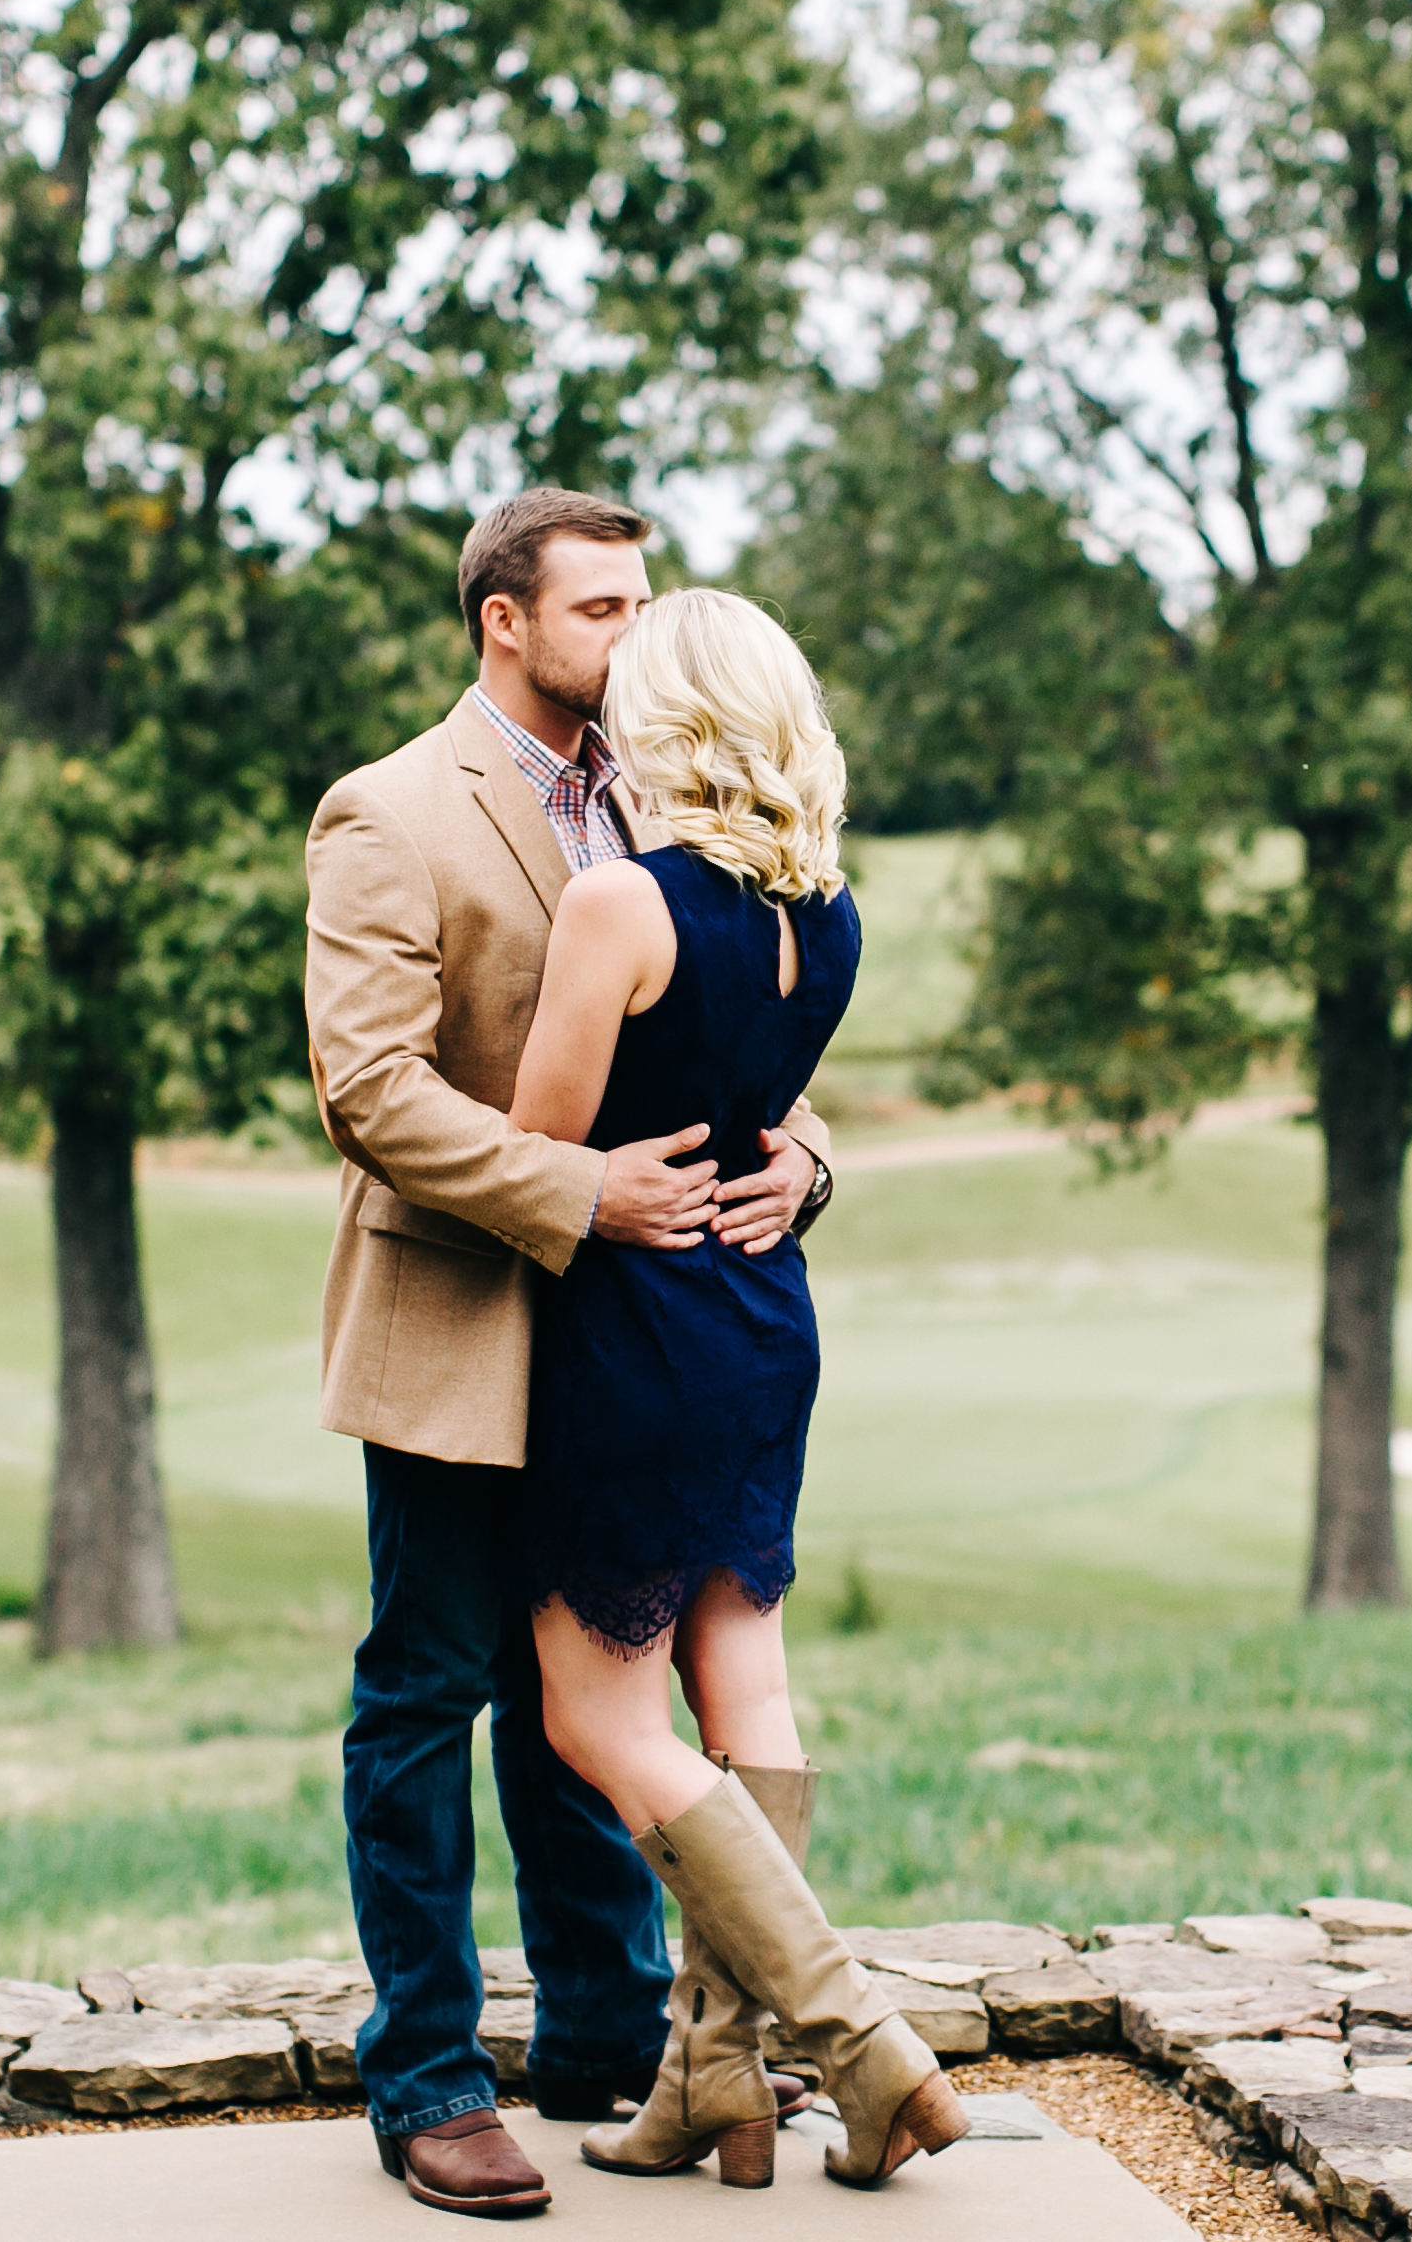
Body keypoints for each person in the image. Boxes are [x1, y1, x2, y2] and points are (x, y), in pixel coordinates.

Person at [303, 492, 837, 2218]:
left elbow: (745, 1037)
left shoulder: (670, 796)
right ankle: (432, 2073)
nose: (634, 634)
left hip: (648, 1350)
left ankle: (616, 2031)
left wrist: (812, 1159)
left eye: (642, 603)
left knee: (586, 1700)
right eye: (601, 607)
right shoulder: (387, 811)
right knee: (429, 1691)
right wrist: (575, 1193)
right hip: (464, 1319)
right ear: (503, 623)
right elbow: (368, 1089)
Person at [506, 588, 969, 2193]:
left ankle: (856, 2037)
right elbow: (777, 1109)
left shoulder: (619, 905)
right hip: (764, 1318)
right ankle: (712, 2079)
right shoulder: (822, 912)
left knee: (600, 1716)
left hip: (633, 1330)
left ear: (667, 720)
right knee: (743, 1691)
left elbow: (543, 1141)